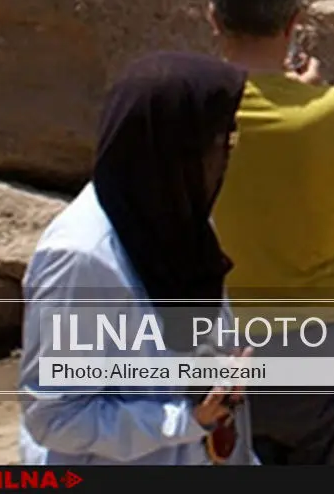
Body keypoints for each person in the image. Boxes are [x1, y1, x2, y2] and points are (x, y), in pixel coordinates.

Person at [18, 52, 259, 465]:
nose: (226, 156)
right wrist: (184, 420)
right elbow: (56, 417)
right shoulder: (81, 259)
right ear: (170, 148)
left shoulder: (181, 220)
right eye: (220, 139)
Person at [205, 0, 334, 465]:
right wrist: (311, 94)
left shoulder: (192, 111)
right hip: (324, 340)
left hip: (224, 344)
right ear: (296, 20)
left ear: (213, 18)